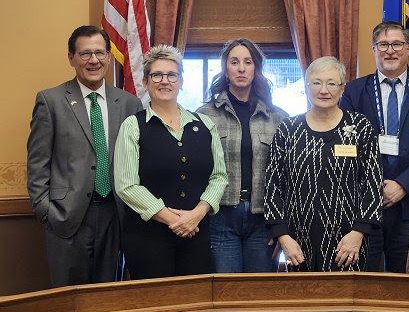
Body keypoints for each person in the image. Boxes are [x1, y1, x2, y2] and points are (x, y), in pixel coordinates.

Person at [26, 25, 143, 287]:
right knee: (69, 300)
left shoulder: (129, 104)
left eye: (100, 53)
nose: (94, 60)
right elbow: (37, 163)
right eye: (85, 53)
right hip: (66, 219)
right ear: (72, 58)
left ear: (109, 57)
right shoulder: (51, 101)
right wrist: (47, 212)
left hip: (116, 215)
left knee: (107, 297)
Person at [340, 21, 409, 272]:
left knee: (404, 285)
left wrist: (402, 185)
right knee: (363, 282)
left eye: (397, 44)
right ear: (374, 49)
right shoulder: (354, 92)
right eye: (383, 44)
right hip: (363, 205)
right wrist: (374, 186)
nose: (390, 50)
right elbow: (345, 145)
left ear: (408, 49)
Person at [114, 45, 227, 279]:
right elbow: (127, 185)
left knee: (195, 305)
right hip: (147, 239)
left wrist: (197, 214)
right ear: (145, 82)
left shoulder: (205, 125)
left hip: (197, 233)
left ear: (181, 81)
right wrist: (174, 220)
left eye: (171, 75)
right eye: (156, 75)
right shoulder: (132, 126)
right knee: (157, 306)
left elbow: (219, 177)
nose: (164, 81)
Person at [264, 56, 383, 271]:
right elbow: (273, 186)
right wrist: (283, 236)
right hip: (297, 246)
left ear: (342, 88)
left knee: (347, 302)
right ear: (307, 86)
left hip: (348, 245)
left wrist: (358, 233)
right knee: (303, 302)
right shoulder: (288, 129)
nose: (323, 90)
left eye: (331, 83)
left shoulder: (360, 127)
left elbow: (373, 185)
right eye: (316, 83)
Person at [198, 38, 288, 273]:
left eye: (247, 62)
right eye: (234, 62)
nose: (240, 68)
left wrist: (283, 228)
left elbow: (288, 175)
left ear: (256, 69)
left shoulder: (278, 117)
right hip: (221, 217)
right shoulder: (205, 115)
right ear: (225, 70)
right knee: (226, 293)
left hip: (263, 218)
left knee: (258, 295)